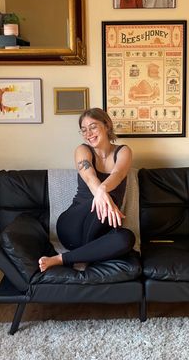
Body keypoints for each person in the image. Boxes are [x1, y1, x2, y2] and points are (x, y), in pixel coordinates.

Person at [38, 108, 135, 272]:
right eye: (84, 130)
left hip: (101, 231)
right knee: (97, 203)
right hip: (73, 224)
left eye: (93, 126)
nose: (88, 133)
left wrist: (103, 190)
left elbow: (118, 175)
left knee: (126, 238)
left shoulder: (123, 151)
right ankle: (88, 255)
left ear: (107, 125)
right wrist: (103, 196)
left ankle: (64, 259)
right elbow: (90, 178)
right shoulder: (83, 150)